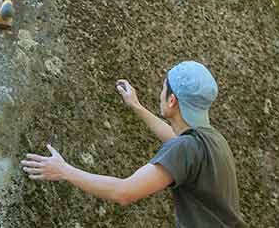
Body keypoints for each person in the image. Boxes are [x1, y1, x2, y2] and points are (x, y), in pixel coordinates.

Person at [21, 61, 243, 227]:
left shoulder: (187, 148)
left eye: (163, 89)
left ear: (172, 100)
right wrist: (136, 106)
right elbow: (176, 138)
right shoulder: (214, 140)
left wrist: (64, 171)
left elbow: (124, 192)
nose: (160, 94)